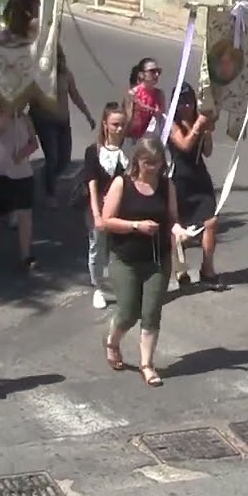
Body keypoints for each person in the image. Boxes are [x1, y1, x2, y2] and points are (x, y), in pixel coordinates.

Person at [99, 137, 184, 387]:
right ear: (137, 160)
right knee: (128, 312)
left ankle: (147, 364)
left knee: (151, 313)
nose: (153, 168)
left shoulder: (167, 186)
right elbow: (106, 220)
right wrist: (136, 225)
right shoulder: (121, 184)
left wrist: (178, 230)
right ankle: (112, 341)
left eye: (157, 163)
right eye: (148, 163)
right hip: (125, 259)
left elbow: (173, 217)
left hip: (157, 260)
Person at [167, 84, 220, 290]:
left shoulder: (197, 119)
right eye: (181, 102)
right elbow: (185, 145)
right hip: (180, 178)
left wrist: (206, 132)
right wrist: (199, 125)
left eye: (189, 100)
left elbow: (207, 151)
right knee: (180, 229)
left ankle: (207, 268)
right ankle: (180, 269)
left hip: (199, 176)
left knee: (211, 221)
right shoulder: (172, 125)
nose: (186, 105)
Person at [29, 45, 95, 208]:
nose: (57, 59)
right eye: (53, 56)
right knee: (52, 158)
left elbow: (75, 95)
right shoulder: (38, 76)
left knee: (64, 160)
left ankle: (46, 176)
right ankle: (50, 193)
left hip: (63, 122)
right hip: (45, 122)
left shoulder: (66, 75)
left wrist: (88, 115)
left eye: (59, 55)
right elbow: (29, 100)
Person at [80, 103, 129, 310]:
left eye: (122, 124)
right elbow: (91, 184)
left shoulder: (128, 149)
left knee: (120, 248)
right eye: (115, 124)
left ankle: (122, 285)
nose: (119, 128)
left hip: (122, 207)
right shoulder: (93, 151)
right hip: (99, 205)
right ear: (105, 125)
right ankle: (98, 287)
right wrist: (96, 214)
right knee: (97, 248)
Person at [0, 104, 40, 270]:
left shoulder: (26, 119)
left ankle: (26, 254)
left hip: (23, 174)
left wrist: (24, 153)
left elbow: (34, 143)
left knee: (25, 214)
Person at [125, 57, 165, 144]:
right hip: (133, 139)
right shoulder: (133, 93)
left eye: (158, 71)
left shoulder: (159, 94)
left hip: (151, 140)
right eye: (152, 71)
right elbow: (127, 120)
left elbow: (161, 121)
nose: (157, 74)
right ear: (141, 75)